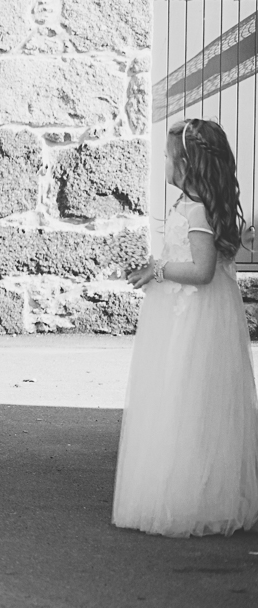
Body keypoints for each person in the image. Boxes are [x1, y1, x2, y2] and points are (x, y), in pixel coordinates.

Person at [113, 118, 258, 537]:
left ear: (187, 164)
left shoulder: (196, 209)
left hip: (194, 317)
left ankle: (191, 497)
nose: (164, 162)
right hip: (181, 313)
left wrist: (157, 269)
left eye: (168, 157)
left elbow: (203, 270)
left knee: (189, 398)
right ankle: (186, 486)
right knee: (178, 398)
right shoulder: (193, 204)